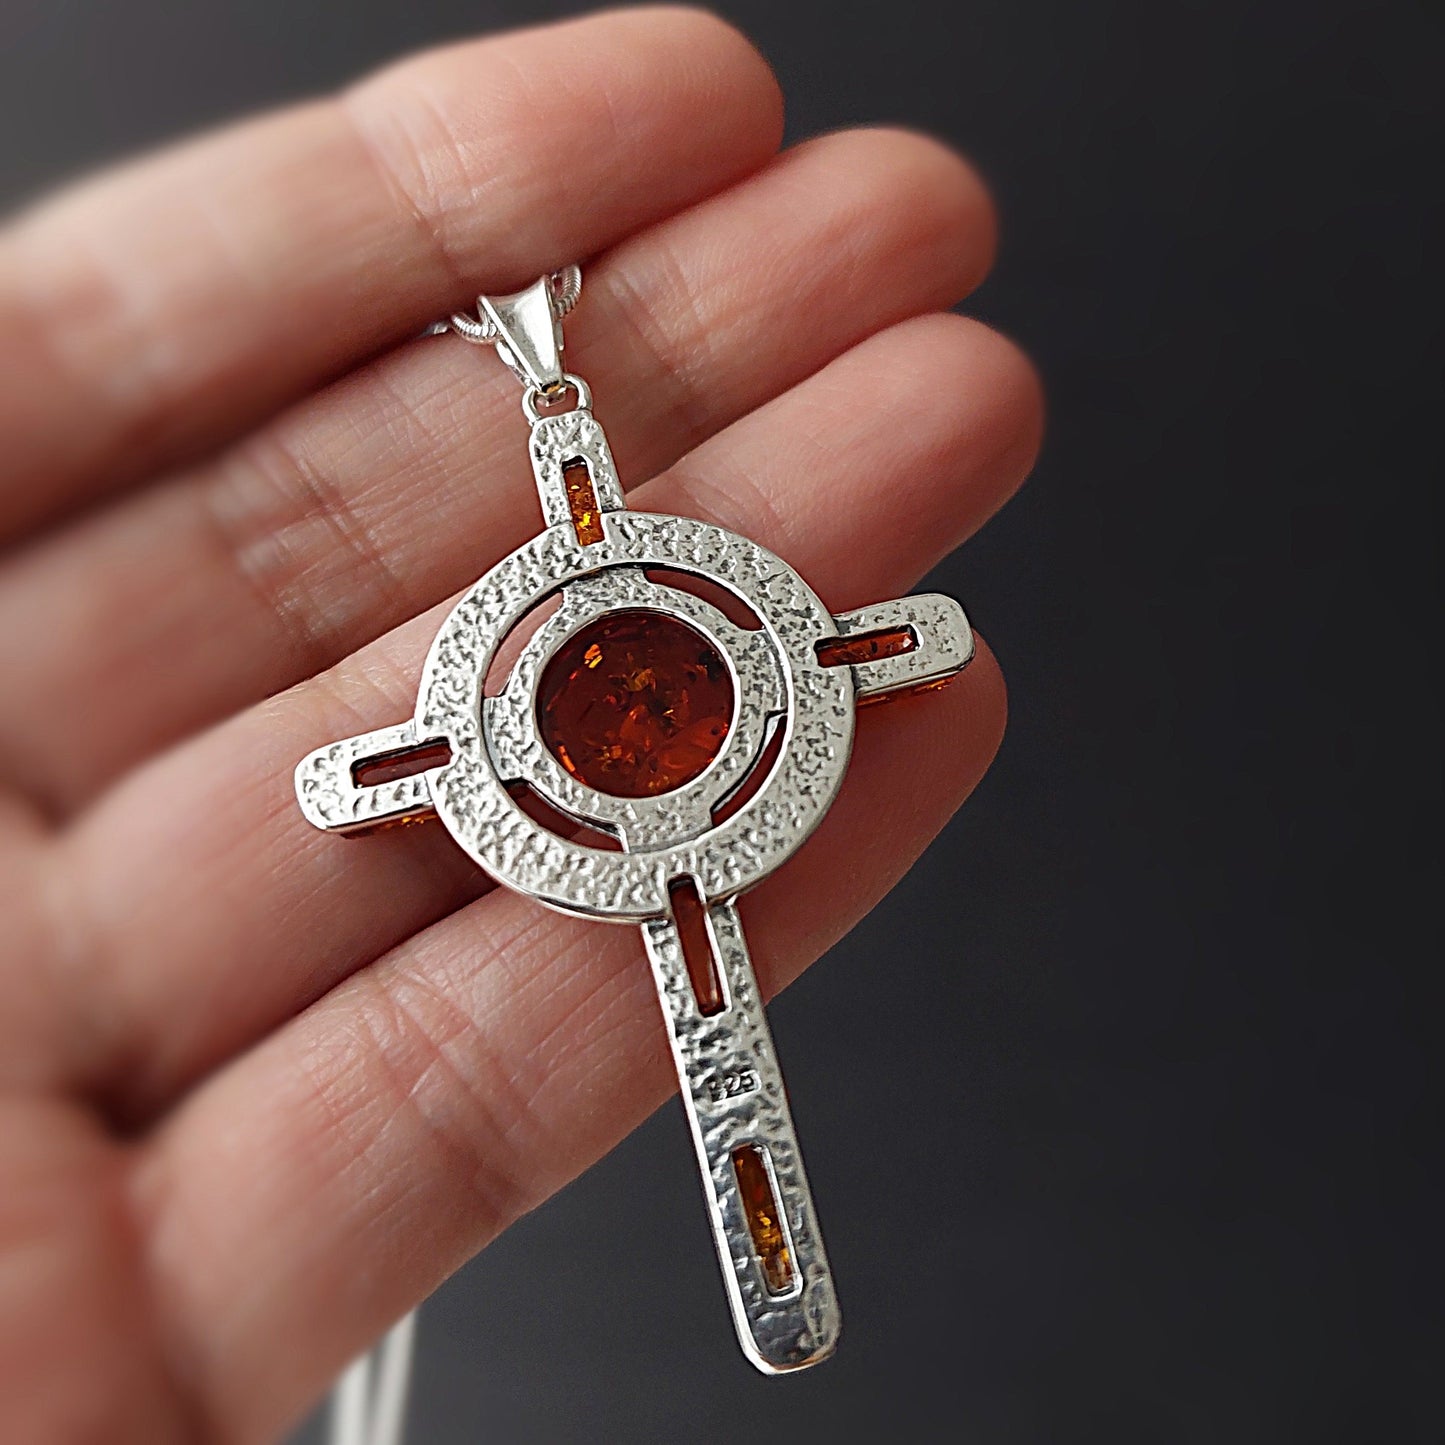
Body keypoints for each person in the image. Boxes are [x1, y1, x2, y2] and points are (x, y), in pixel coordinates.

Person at [0, 8, 1040, 1440]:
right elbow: (349, 779)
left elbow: (829, 650)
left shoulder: (690, 627)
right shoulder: (546, 695)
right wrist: (416, 763)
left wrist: (849, 651)